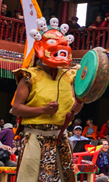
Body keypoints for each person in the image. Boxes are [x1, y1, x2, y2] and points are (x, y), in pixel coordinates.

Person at [10, 14, 83, 180]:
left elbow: (73, 107)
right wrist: (43, 109)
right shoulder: (29, 76)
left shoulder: (69, 75)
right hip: (35, 136)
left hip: (60, 135)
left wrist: (78, 107)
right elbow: (16, 108)